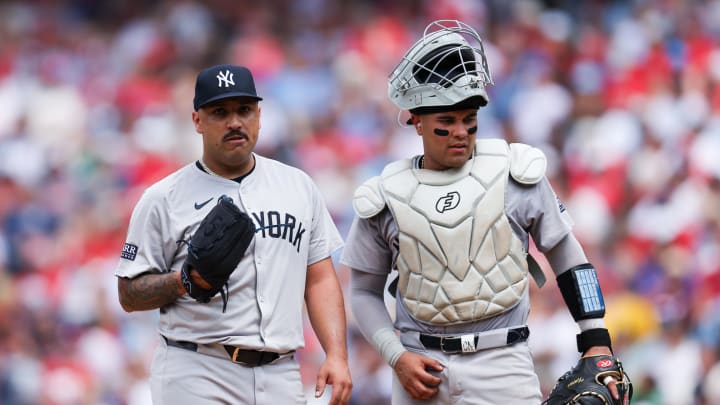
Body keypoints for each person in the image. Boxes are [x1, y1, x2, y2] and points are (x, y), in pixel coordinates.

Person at [341, 20, 626, 404]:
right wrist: (395, 356)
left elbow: (568, 257)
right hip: (419, 366)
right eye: (447, 121)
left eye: (468, 120)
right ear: (417, 121)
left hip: (502, 361)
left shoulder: (514, 172)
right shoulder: (386, 194)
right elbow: (362, 290)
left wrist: (595, 338)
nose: (460, 131)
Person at [115, 64, 352, 405]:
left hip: (280, 371)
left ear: (259, 115)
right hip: (198, 368)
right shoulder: (163, 198)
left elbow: (319, 279)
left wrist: (337, 354)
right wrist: (183, 281)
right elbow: (129, 294)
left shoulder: (297, 186)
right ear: (198, 121)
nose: (234, 122)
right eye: (219, 112)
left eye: (244, 110)